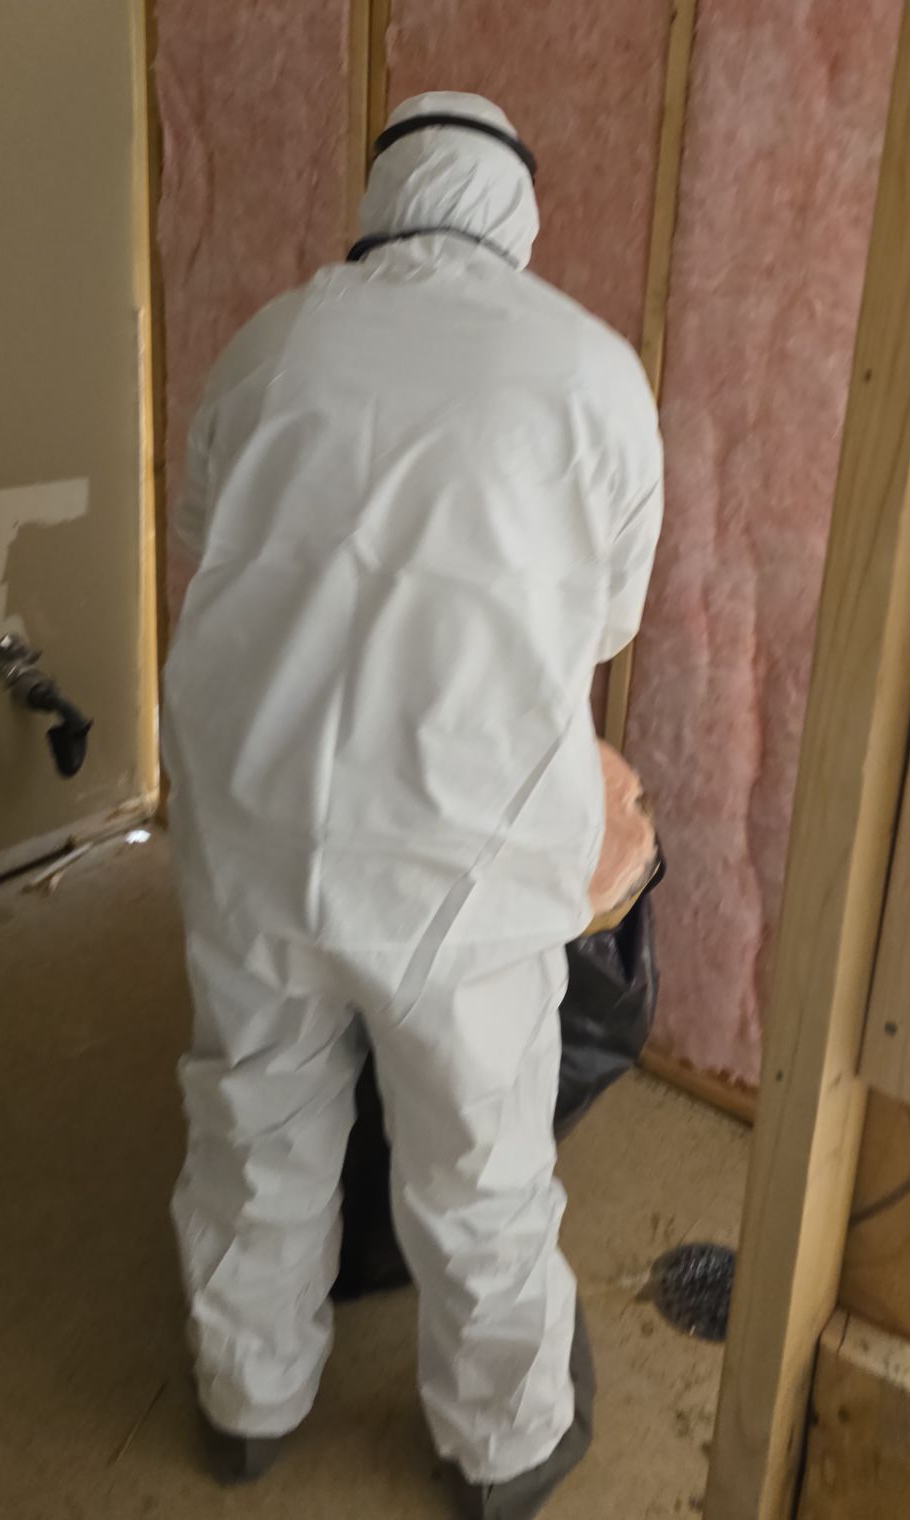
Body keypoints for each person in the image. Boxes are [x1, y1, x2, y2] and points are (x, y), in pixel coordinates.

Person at [162, 91, 665, 1519]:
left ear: (382, 197)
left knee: (255, 1116)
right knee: (475, 1156)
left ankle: (246, 1401)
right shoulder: (592, 370)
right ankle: (507, 1445)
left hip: (257, 818)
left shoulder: (267, 345)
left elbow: (207, 542)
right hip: (467, 848)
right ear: (516, 209)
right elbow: (609, 620)